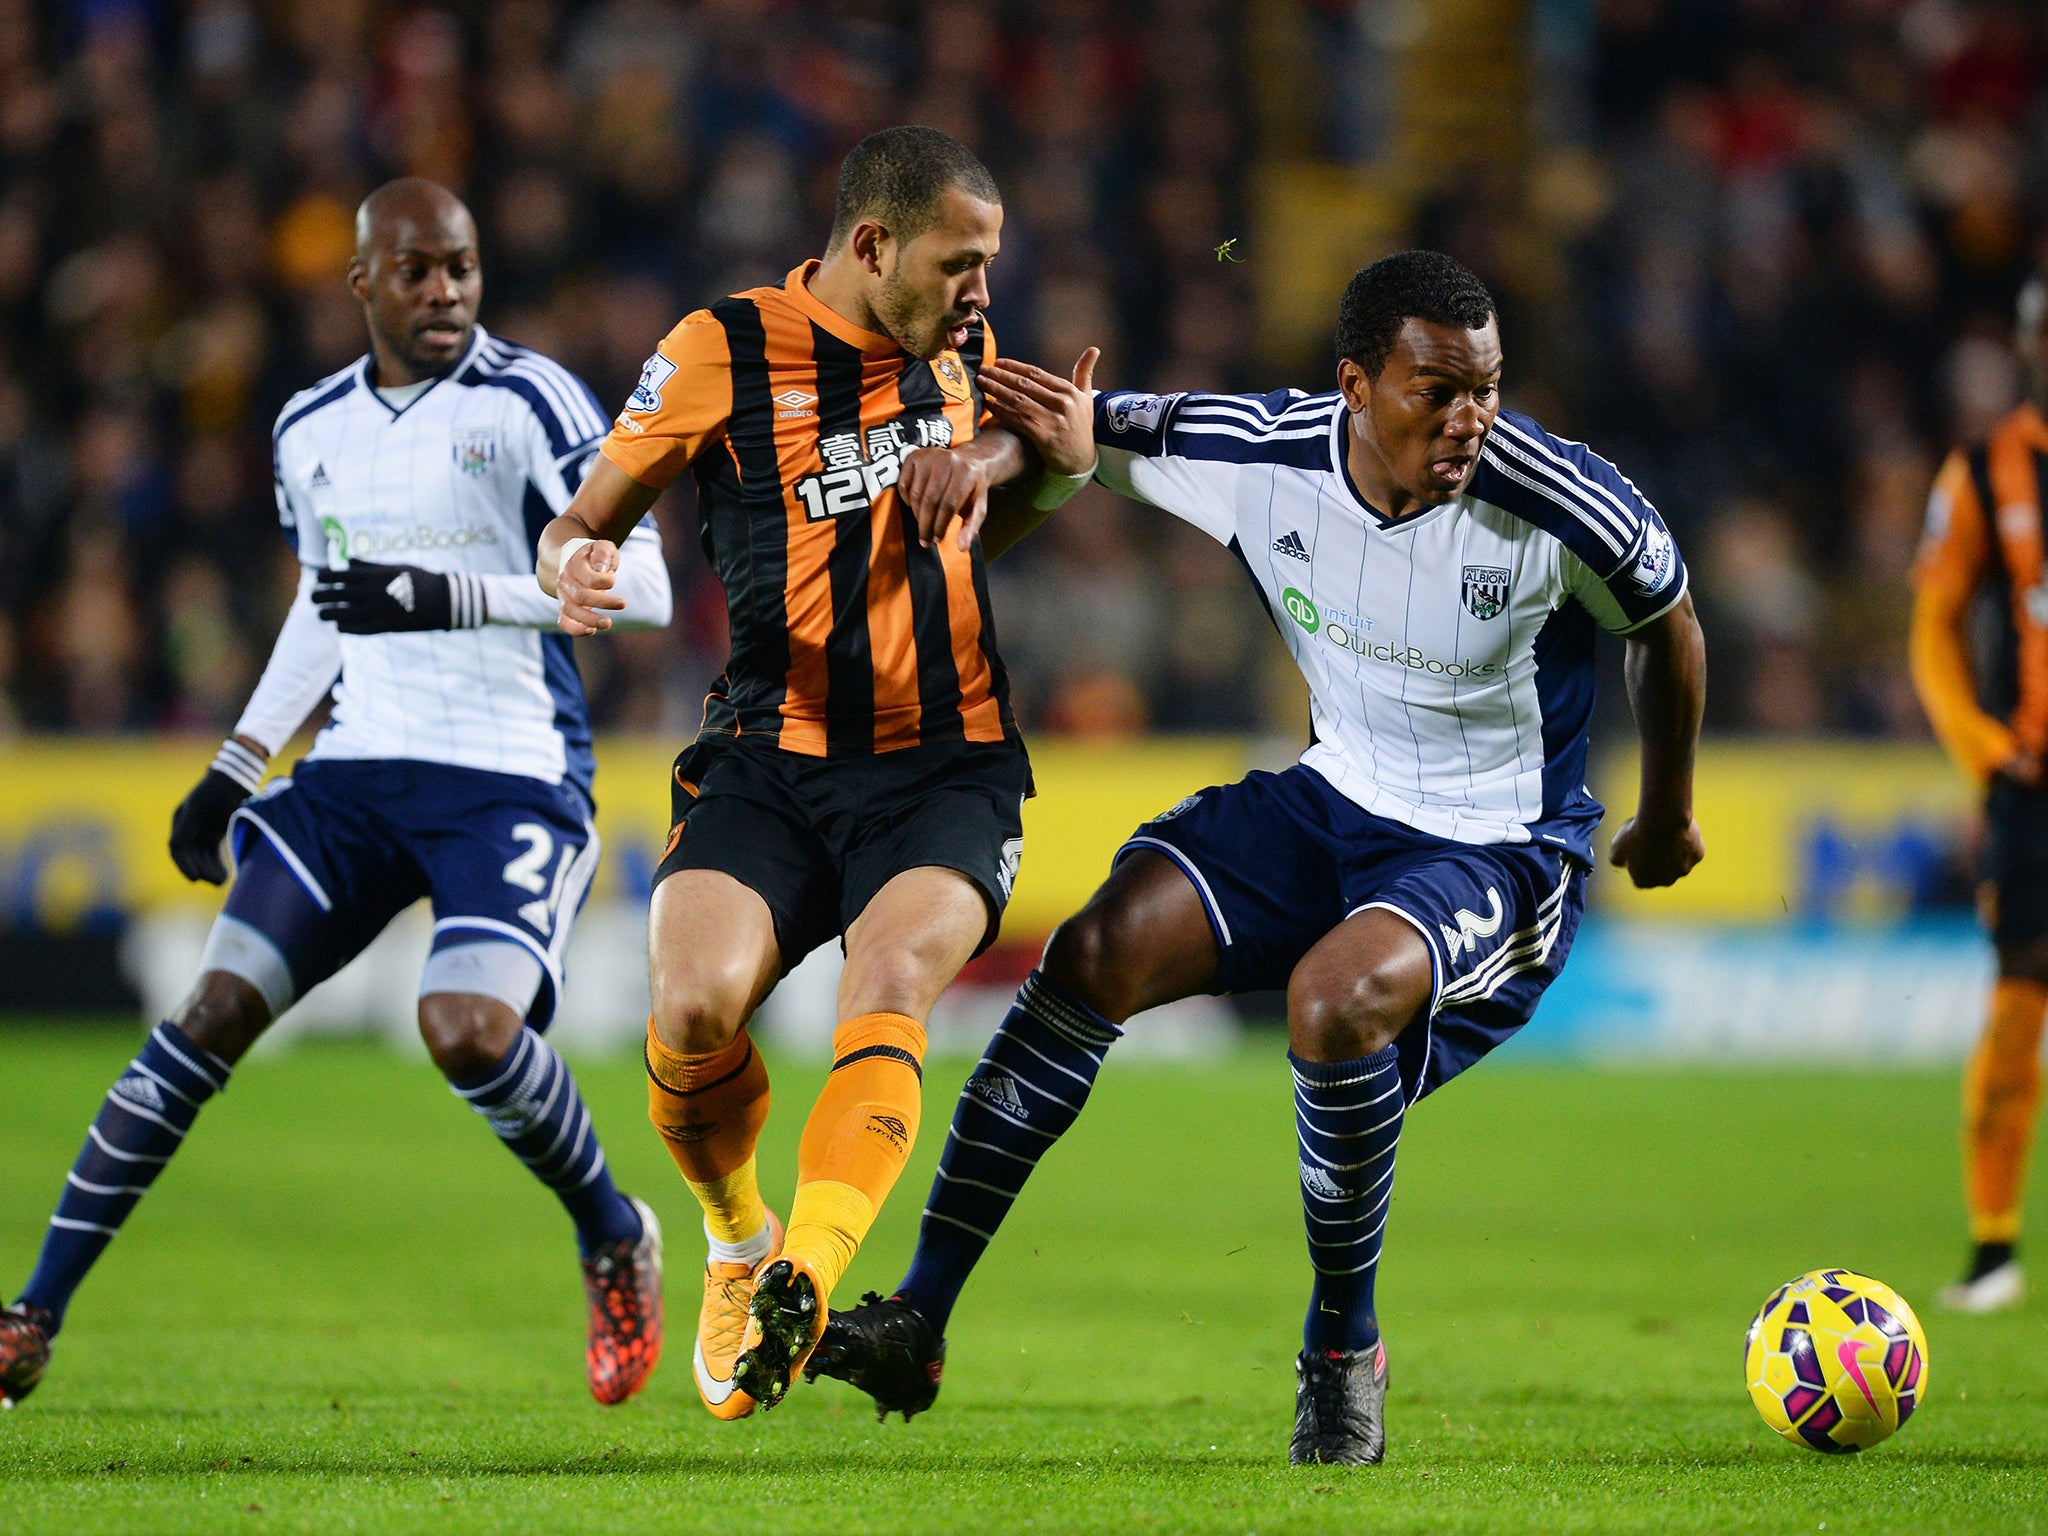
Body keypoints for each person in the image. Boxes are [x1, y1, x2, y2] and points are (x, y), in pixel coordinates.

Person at [810, 250, 1709, 1466]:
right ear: (1353, 383)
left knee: (1331, 1005)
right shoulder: (1261, 452)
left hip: (1496, 845)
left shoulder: (1558, 498)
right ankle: (919, 1315)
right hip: (1332, 799)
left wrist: (1666, 813)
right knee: (1094, 947)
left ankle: (1342, 1351)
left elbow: (1666, 624)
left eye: (1484, 389)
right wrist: (977, 457)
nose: (1467, 421)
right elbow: (1076, 430)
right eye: (1434, 392)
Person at [0, 180, 674, 1411]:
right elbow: (329, 600)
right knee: (205, 1017)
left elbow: (645, 586)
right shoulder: (309, 426)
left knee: (466, 1028)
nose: (446, 292)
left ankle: (612, 1231)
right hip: (356, 772)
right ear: (361, 281)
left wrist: (449, 595)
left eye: (462, 268)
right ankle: (29, 1317)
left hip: (509, 774)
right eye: (417, 271)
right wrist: (236, 764)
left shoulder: (532, 401)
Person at [535, 125, 1095, 1418]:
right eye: (962, 264)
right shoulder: (717, 351)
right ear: (871, 245)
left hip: (945, 765)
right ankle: (738, 1240)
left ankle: (808, 1270)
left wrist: (1037, 473)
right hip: (767, 760)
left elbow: (980, 524)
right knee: (689, 1014)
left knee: (889, 977)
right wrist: (577, 565)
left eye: (991, 264)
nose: (983, 294)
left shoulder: (960, 362)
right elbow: (583, 522)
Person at [1910, 271, 2048, 1315]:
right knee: (2015, 1000)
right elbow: (1933, 623)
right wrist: (1979, 745)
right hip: (2032, 786)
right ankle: (1992, 1244)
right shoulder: (1983, 468)